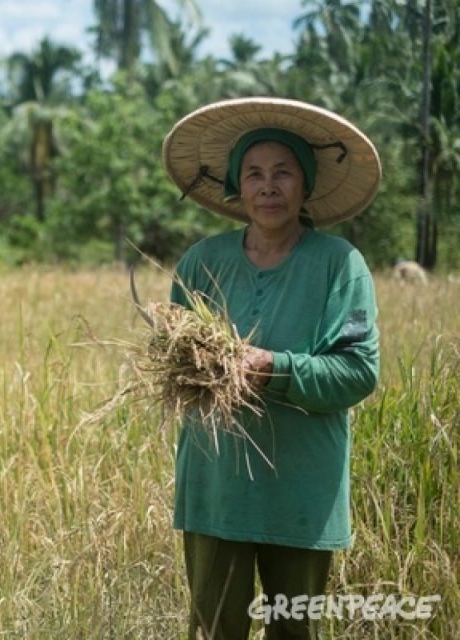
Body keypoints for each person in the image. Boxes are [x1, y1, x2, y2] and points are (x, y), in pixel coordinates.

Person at [160, 97, 382, 640]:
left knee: (295, 632)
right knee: (216, 631)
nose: (268, 186)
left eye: (283, 173)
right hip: (216, 491)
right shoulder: (202, 263)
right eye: (254, 174)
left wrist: (271, 367)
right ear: (238, 187)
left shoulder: (338, 265)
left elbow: (357, 372)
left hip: (301, 495)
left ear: (305, 186)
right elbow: (173, 363)